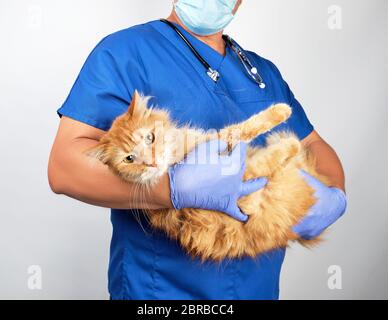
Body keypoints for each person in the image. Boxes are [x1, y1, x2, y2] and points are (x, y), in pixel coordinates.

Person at [48, 0, 347, 300]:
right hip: (160, 295)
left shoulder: (262, 72)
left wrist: (333, 195)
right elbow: (64, 167)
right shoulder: (125, 52)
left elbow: (312, 143)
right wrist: (171, 189)